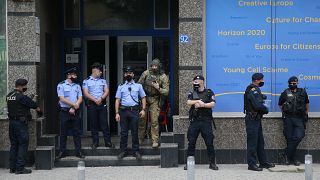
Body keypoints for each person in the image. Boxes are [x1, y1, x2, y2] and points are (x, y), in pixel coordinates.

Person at [7, 79, 42, 174]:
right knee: (23, 145)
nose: (26, 88)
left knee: (14, 145)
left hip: (12, 123)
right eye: (25, 86)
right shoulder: (21, 97)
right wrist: (39, 110)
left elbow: (19, 104)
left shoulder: (9, 95)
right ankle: (20, 168)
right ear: (20, 86)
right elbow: (33, 105)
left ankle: (12, 167)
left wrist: (28, 98)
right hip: (20, 124)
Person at [184, 75, 218, 170]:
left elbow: (213, 104)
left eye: (197, 80)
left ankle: (212, 163)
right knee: (191, 142)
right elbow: (188, 102)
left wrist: (203, 104)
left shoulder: (209, 92)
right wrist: (197, 101)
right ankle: (189, 163)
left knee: (209, 142)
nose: (195, 82)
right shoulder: (192, 92)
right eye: (194, 80)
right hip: (195, 121)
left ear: (202, 82)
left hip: (206, 121)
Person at [243, 73, 275, 171]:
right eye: (261, 80)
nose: (262, 81)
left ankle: (263, 162)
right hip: (252, 119)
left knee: (260, 142)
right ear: (256, 80)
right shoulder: (252, 89)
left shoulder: (256, 89)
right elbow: (257, 105)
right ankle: (251, 164)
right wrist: (265, 109)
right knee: (252, 142)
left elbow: (259, 98)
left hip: (256, 119)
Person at [115, 66, 147, 160]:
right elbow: (117, 100)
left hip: (134, 111)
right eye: (126, 73)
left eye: (130, 73)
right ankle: (123, 151)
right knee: (124, 133)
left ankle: (136, 151)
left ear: (133, 74)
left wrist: (143, 109)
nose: (128, 74)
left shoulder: (138, 86)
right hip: (123, 112)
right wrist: (117, 113)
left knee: (134, 132)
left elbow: (143, 98)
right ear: (124, 75)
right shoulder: (121, 86)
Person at [138, 58, 169, 148]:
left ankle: (155, 140)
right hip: (145, 98)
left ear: (159, 67)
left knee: (154, 121)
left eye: (156, 66)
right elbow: (139, 85)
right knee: (142, 120)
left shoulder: (163, 76)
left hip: (155, 99)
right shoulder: (146, 73)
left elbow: (166, 92)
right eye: (152, 66)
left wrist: (158, 88)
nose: (154, 68)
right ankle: (140, 138)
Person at [82, 62, 114, 149]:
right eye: (100, 71)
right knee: (93, 124)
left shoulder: (103, 81)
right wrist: (95, 100)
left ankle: (108, 142)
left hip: (101, 104)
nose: (101, 73)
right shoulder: (86, 81)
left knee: (104, 124)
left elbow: (106, 91)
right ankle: (95, 142)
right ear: (95, 71)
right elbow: (86, 93)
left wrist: (101, 98)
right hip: (92, 105)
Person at [279, 76, 309, 166]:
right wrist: (285, 111)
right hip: (288, 118)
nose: (293, 84)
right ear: (288, 83)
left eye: (294, 83)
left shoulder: (303, 92)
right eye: (291, 83)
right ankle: (291, 158)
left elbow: (307, 103)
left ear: (297, 83)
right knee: (289, 138)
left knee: (299, 136)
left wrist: (306, 113)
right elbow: (280, 104)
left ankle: (285, 153)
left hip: (299, 118)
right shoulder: (285, 92)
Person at [56, 67, 84, 159]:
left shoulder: (77, 86)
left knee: (77, 132)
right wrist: (73, 105)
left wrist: (75, 107)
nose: (75, 76)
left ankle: (78, 151)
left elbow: (80, 98)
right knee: (63, 132)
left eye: (75, 74)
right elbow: (62, 98)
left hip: (75, 112)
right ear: (68, 75)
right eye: (74, 74)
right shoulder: (61, 85)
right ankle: (62, 151)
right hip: (65, 112)